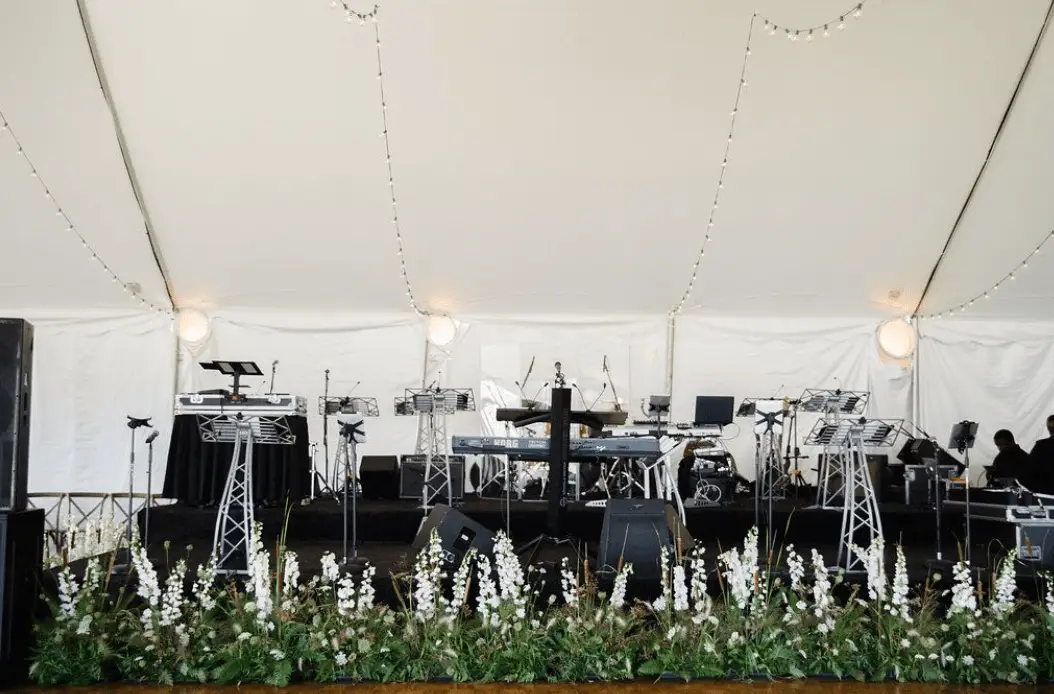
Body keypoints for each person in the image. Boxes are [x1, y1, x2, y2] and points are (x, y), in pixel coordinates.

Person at [1028, 414, 1054, 493]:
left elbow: (1029, 471)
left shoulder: (1041, 446)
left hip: (1046, 494)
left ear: (1048, 429)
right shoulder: (1040, 446)